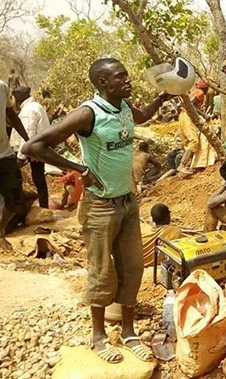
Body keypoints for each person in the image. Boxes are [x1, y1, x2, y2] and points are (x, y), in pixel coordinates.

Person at [23, 58, 167, 363]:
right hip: (99, 206)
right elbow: (34, 146)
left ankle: (128, 332)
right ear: (103, 83)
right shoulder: (89, 113)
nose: (127, 80)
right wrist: (79, 169)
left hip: (127, 202)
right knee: (102, 272)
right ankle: (99, 336)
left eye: (127, 75)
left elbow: (142, 117)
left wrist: (163, 97)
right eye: (120, 76)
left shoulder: (125, 106)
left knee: (132, 268)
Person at [0, 78, 29, 260]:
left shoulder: (0, 87)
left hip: (3, 155)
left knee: (16, 200)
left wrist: (28, 140)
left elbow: (12, 116)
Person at [10, 86, 51, 208]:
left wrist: (21, 157)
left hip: (32, 151)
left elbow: (27, 135)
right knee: (39, 179)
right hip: (38, 150)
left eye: (12, 98)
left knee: (24, 179)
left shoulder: (29, 110)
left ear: (17, 99)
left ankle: (21, 208)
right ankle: (44, 206)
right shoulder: (35, 106)